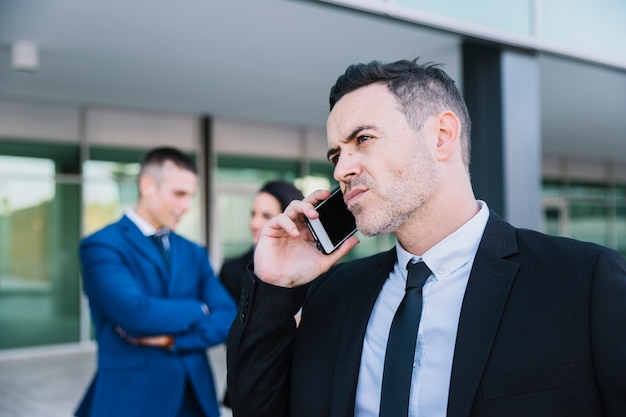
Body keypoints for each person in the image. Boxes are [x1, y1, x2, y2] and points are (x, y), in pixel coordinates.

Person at [226, 59, 626, 417]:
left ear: (442, 136)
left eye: (362, 139)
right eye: (336, 155)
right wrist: (274, 287)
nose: (341, 170)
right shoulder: (333, 293)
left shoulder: (584, 281)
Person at [76, 147, 237, 417]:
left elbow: (228, 316)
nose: (187, 206)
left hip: (195, 398)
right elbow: (136, 315)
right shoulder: (102, 246)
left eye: (191, 196)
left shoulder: (193, 251)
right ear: (147, 185)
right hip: (133, 398)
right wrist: (199, 308)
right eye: (179, 194)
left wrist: (172, 340)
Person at [219, 179, 304, 303]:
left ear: (292, 220)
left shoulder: (314, 270)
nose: (254, 223)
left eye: (266, 216)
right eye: (253, 214)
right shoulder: (231, 272)